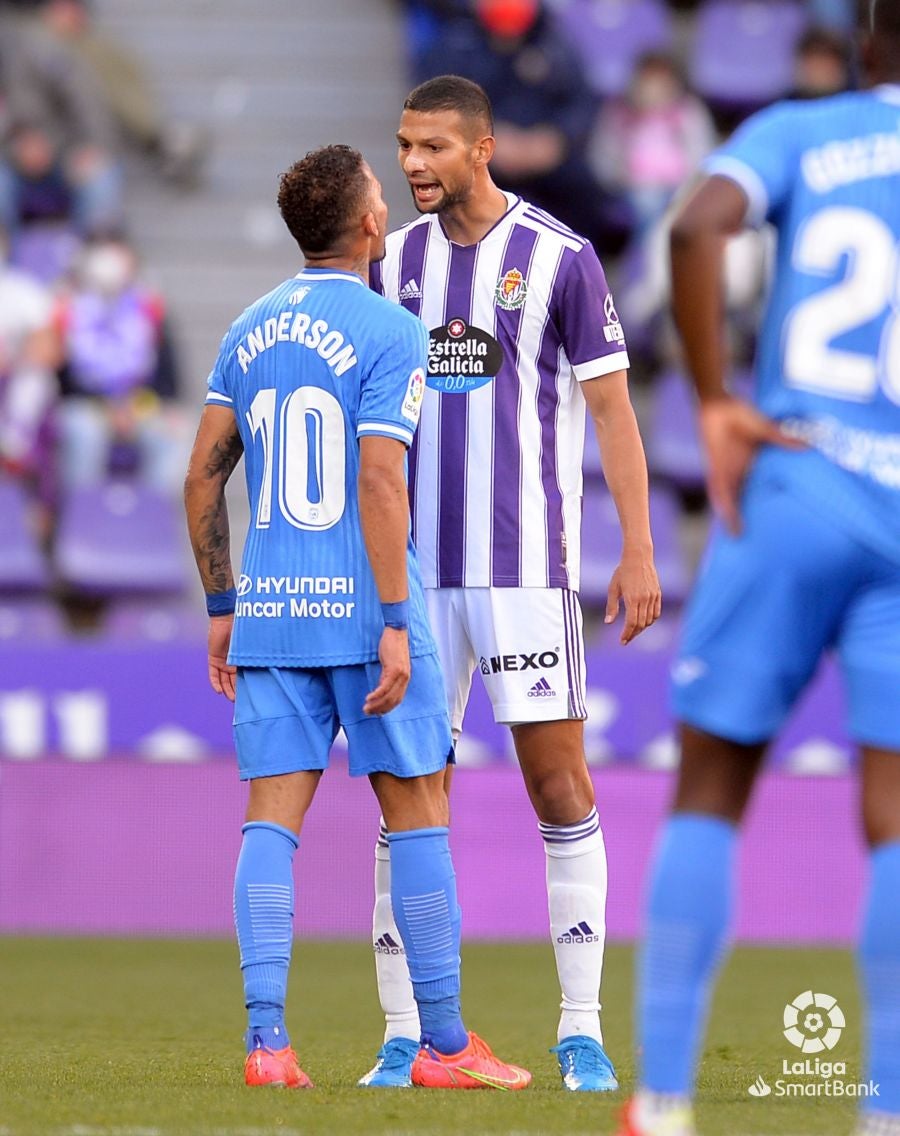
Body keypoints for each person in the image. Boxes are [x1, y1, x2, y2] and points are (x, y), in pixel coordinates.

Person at [183, 143, 530, 1092]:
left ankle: (268, 1046)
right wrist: (393, 617)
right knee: (417, 813)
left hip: (272, 612)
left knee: (269, 822)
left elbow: (203, 479)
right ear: (371, 223)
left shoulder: (247, 328)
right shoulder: (391, 330)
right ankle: (445, 1047)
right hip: (367, 610)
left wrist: (222, 604)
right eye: (382, 193)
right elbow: (381, 479)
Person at [621, 3, 900, 1134]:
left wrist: (713, 401)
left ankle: (664, 1098)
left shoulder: (802, 129)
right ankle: (886, 1106)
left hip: (797, 478)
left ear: (867, 40)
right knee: (896, 813)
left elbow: (699, 225)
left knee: (711, 785)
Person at [361, 75, 661, 1092]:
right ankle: (405, 1033)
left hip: (526, 571)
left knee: (559, 785)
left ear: (482, 149)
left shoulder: (561, 257)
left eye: (433, 147)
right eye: (405, 145)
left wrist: (639, 548)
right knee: (410, 797)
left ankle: (581, 1028)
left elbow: (614, 412)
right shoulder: (390, 265)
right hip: (415, 582)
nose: (413, 163)